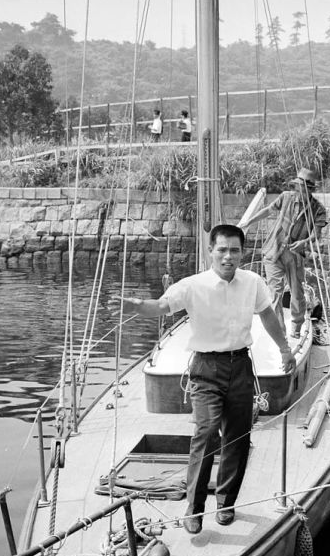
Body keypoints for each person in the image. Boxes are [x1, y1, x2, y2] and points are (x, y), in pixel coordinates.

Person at [119, 224, 296, 535]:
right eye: (222, 250)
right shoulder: (192, 285)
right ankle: (195, 507)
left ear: (242, 252)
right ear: (211, 251)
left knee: (238, 437)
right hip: (205, 368)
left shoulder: (253, 282)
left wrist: (285, 349)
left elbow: (267, 315)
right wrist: (137, 308)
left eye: (235, 250)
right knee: (207, 431)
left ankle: (226, 502)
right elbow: (162, 306)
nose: (228, 256)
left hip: (240, 365)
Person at [238, 168, 327, 339]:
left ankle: (296, 326)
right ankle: (280, 333)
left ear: (309, 189)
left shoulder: (318, 209)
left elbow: (316, 234)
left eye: (302, 188)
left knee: (297, 292)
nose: (298, 190)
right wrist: (249, 221)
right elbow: (268, 211)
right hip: (273, 249)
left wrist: (305, 242)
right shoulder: (286, 197)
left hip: (295, 254)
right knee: (275, 293)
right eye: (297, 187)